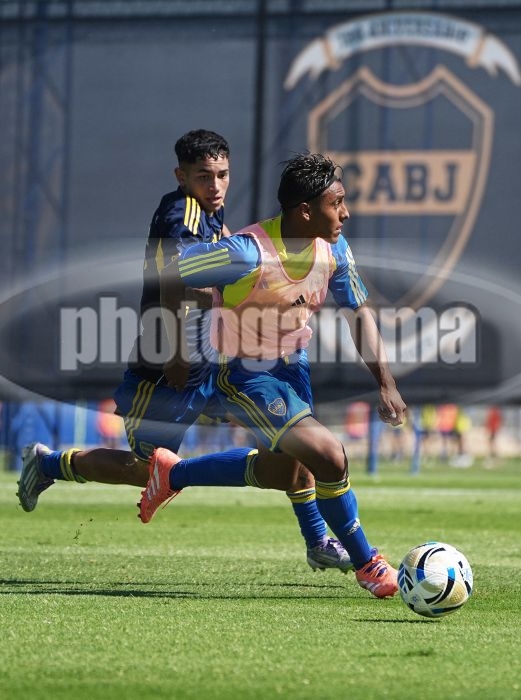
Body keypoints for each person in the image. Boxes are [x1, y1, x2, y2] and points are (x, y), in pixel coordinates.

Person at [17, 131, 351, 574]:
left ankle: (318, 540)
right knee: (145, 469)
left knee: (294, 443)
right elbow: (177, 276)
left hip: (216, 359)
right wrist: (176, 353)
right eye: (204, 176)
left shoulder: (209, 211)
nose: (216, 185)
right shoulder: (183, 213)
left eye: (222, 175)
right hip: (169, 367)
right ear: (181, 176)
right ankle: (48, 464)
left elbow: (217, 254)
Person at [138, 152, 407, 599]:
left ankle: (173, 474)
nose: (345, 213)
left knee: (284, 472)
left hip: (292, 366)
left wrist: (386, 382)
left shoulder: (334, 249)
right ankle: (368, 563)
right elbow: (172, 269)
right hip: (242, 372)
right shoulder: (247, 253)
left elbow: (358, 313)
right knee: (330, 456)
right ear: (305, 211)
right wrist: (176, 346)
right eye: (336, 203)